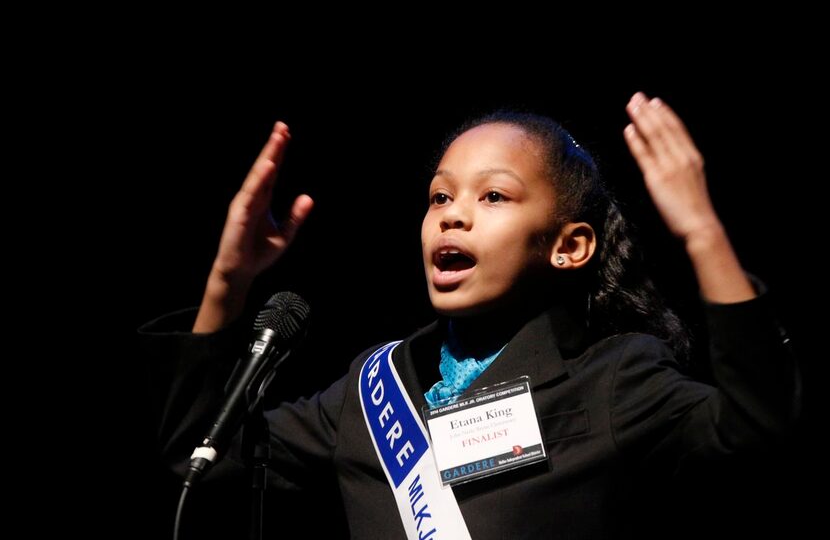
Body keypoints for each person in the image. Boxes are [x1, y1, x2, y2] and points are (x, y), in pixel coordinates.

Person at [140, 93, 799, 539]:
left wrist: (705, 233)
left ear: (569, 246)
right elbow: (201, 463)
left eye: (494, 195)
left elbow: (756, 432)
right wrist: (227, 279)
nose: (453, 214)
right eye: (439, 196)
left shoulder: (613, 377)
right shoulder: (374, 390)